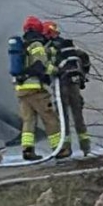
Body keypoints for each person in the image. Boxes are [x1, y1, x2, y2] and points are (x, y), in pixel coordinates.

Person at [15, 16, 71, 161]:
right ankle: (59, 149)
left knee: (29, 120)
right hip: (35, 89)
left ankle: (27, 150)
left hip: (21, 89)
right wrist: (56, 70)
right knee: (50, 118)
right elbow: (42, 64)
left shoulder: (22, 44)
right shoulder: (36, 45)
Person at [43, 20, 92, 156]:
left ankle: (66, 148)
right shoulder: (68, 45)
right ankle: (86, 147)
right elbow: (84, 57)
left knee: (62, 118)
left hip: (61, 85)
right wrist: (83, 76)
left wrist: (49, 76)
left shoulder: (50, 48)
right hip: (75, 84)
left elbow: (46, 66)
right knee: (78, 116)